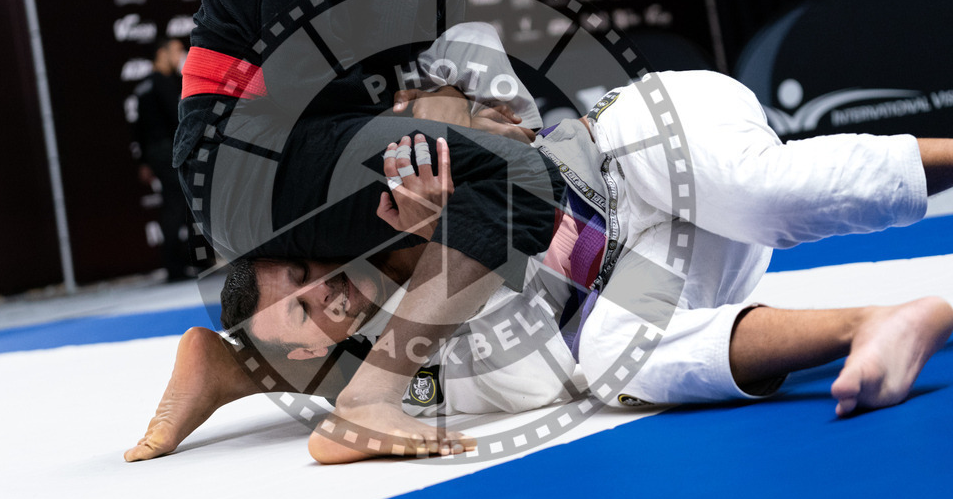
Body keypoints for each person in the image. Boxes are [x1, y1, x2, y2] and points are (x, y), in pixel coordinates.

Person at [126, 69, 953, 464]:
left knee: (762, 191)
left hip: (634, 152)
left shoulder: (389, 202)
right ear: (309, 356)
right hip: (644, 270)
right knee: (619, 358)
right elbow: (262, 373)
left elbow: (467, 80)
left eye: (310, 273)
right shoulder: (398, 374)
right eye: (307, 311)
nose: (327, 291)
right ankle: (879, 322)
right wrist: (221, 367)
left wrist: (450, 135)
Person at [174, 0, 582, 456]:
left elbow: (423, 64)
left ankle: (238, 370)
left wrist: (451, 104)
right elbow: (298, 77)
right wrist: (446, 120)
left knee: (447, 218)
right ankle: (368, 400)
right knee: (518, 179)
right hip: (243, 157)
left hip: (297, 144)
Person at [129, 38, 191, 281]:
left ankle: (183, 262)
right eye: (176, 51)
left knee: (175, 204)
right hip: (169, 151)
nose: (180, 56)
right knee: (177, 205)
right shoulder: (164, 84)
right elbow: (177, 119)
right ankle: (175, 267)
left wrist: (144, 161)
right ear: (161, 53)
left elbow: (138, 129)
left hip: (158, 153)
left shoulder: (144, 86)